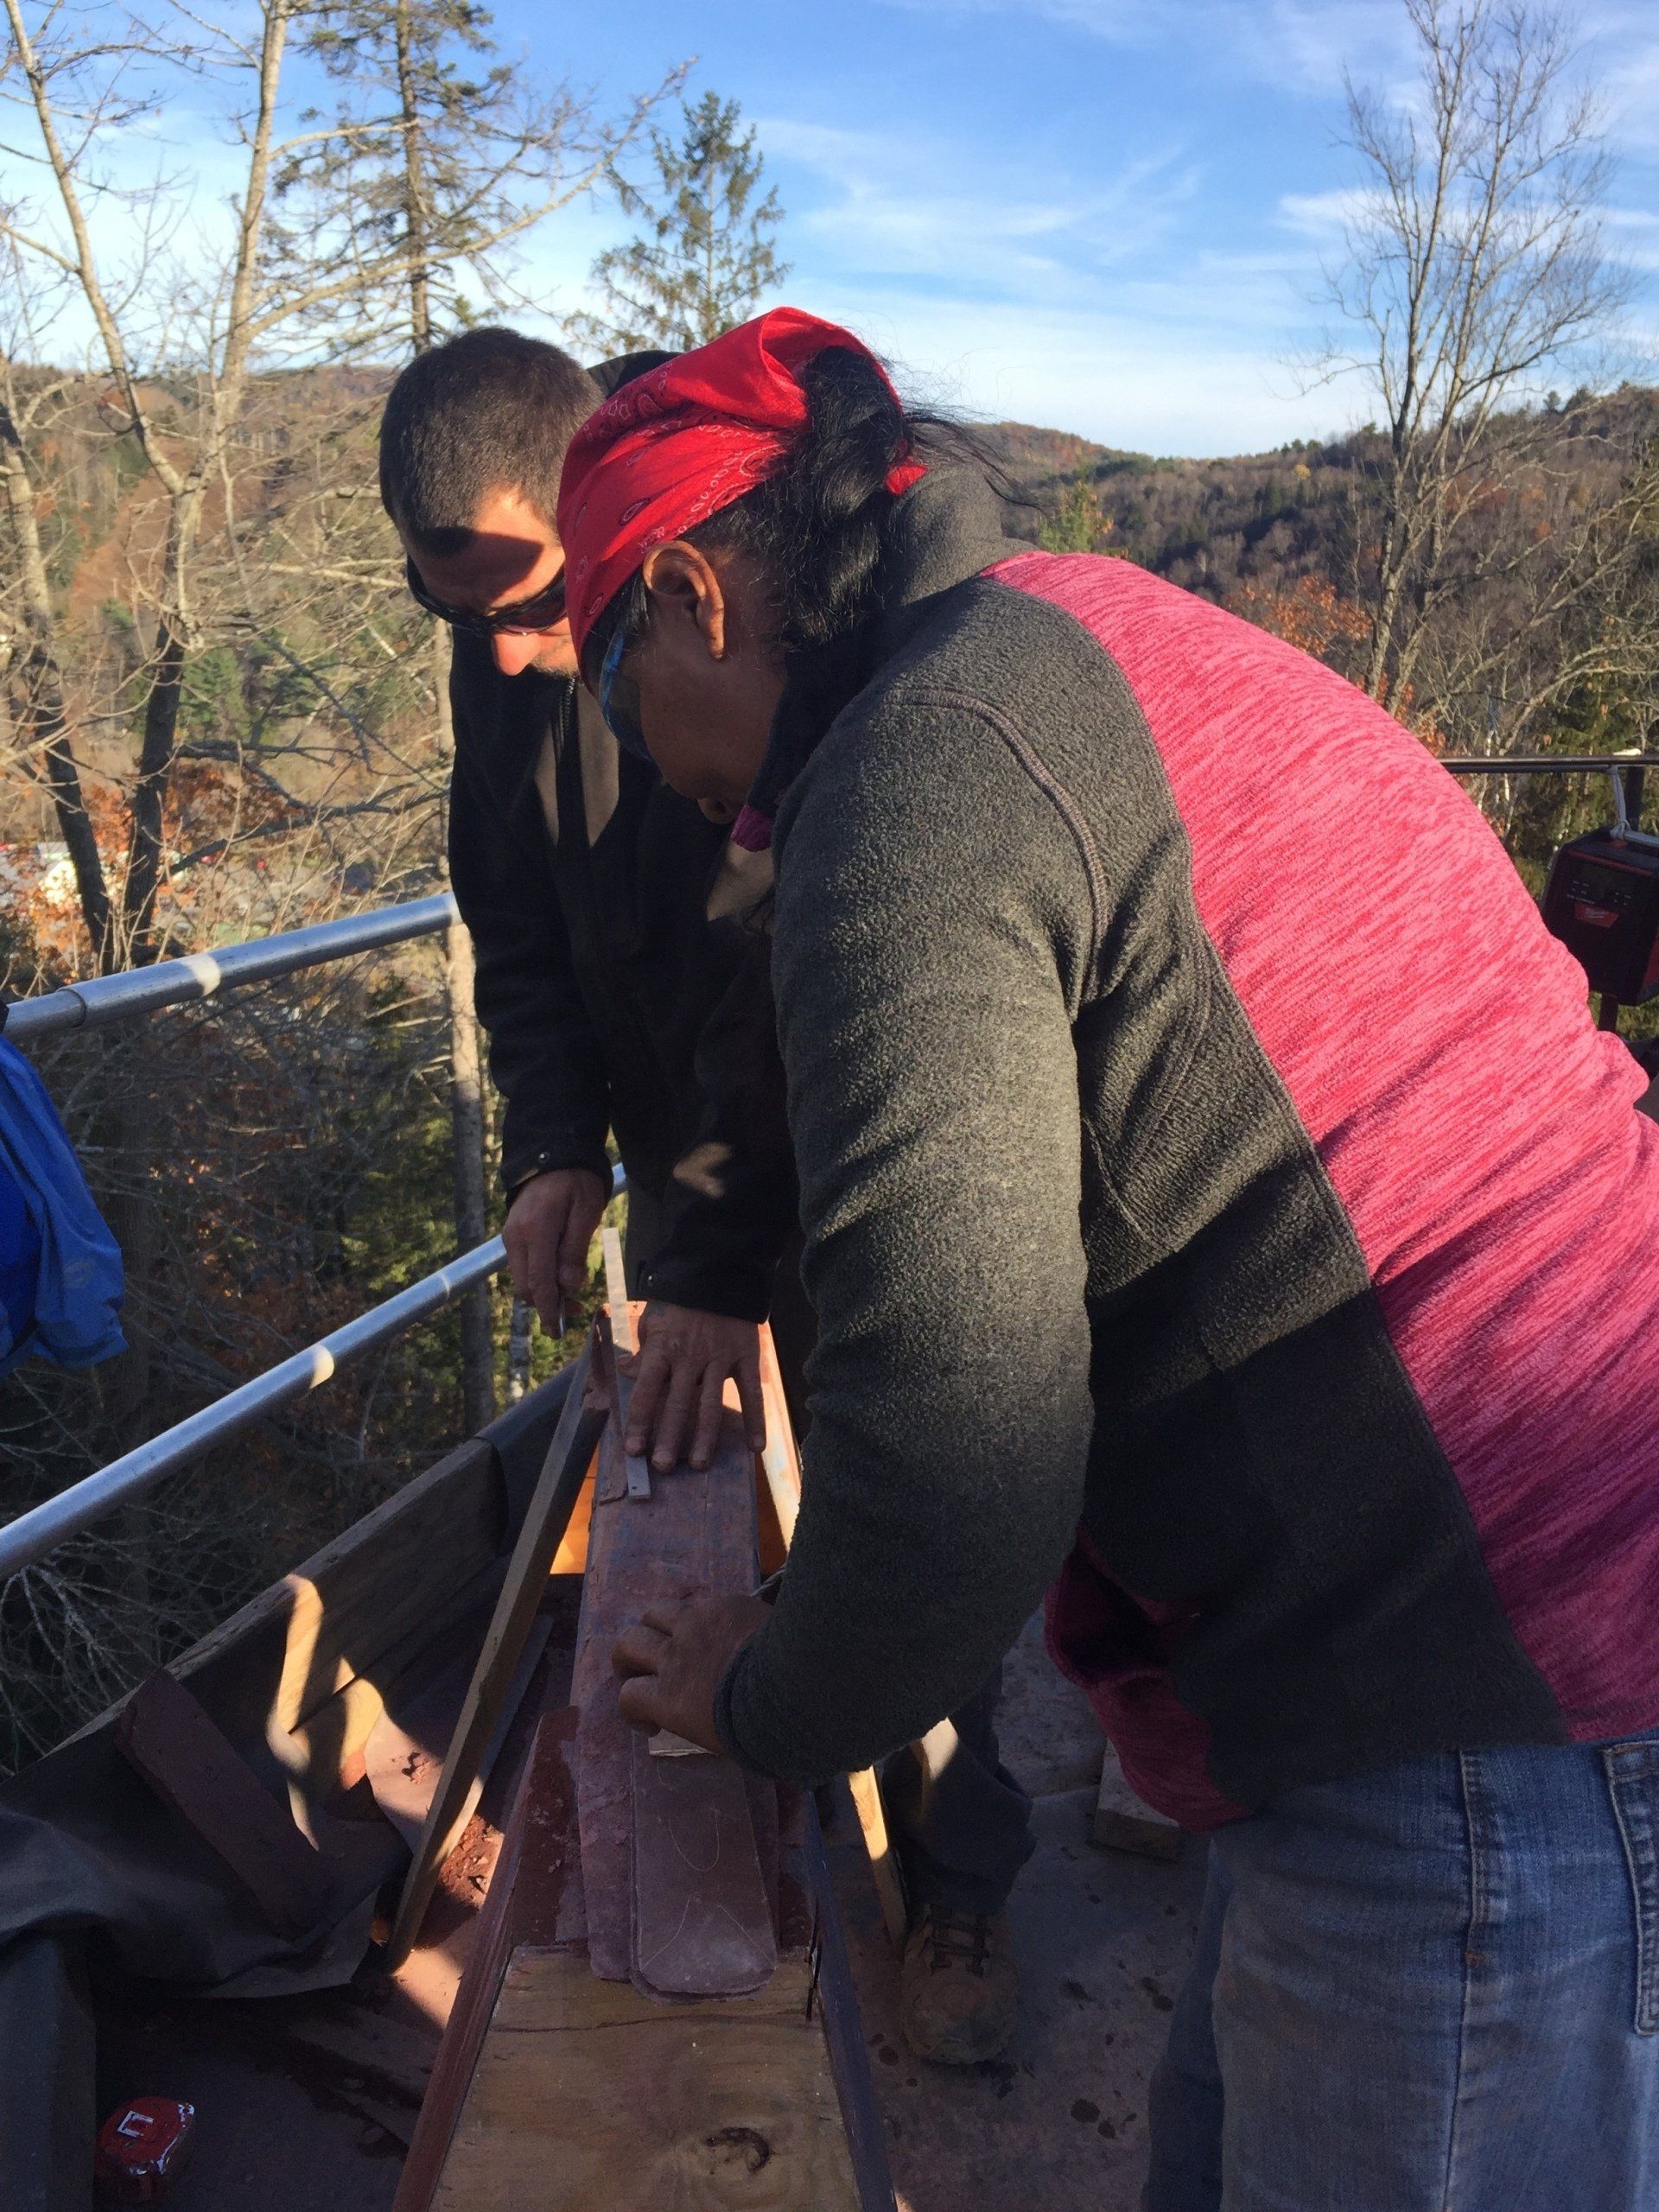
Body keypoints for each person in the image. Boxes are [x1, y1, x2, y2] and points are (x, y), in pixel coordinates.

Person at [571, 308, 1659, 2210]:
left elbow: (960, 1454)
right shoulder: (1082, 628)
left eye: (612, 696)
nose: (654, 775)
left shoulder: (914, 774)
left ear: (690, 592)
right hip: (1450, 1642)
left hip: (1479, 1684)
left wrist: (762, 1691)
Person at [377, 327, 1035, 2063]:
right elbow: (514, 925)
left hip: (845, 1133)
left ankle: (956, 1869)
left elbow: (773, 957)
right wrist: (553, 1146)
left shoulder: (752, 623)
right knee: (694, 1478)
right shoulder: (504, 646)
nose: (515, 649)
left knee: (908, 1469)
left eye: (529, 595)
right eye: (465, 615)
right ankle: (743, 1770)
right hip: (684, 1176)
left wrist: (721, 1257)